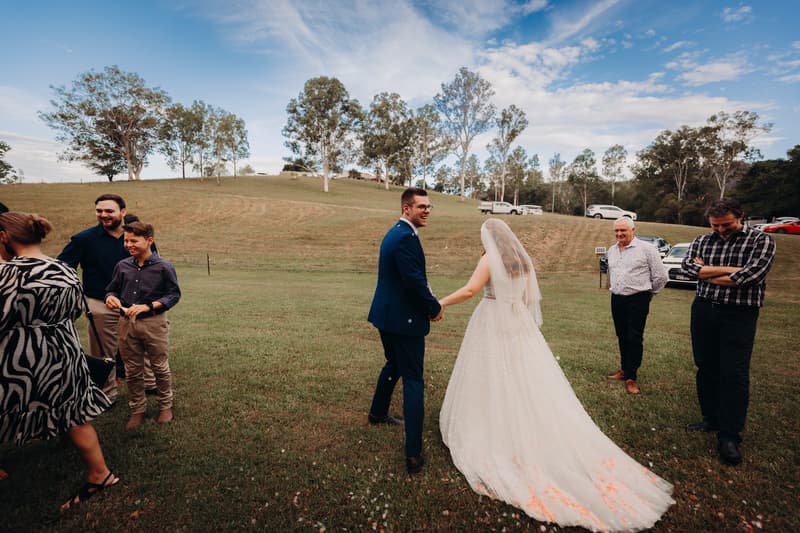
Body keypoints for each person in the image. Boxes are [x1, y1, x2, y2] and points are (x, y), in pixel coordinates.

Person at [437, 218, 674, 531]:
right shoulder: (522, 260)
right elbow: (526, 297)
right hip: (517, 321)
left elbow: (470, 290)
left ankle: (493, 422)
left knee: (492, 371)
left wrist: (438, 303)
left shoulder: (489, 259)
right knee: (522, 375)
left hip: (493, 319)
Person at [0, 211, 118, 511]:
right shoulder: (63, 270)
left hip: (19, 359)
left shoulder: (7, 275)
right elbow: (76, 311)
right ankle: (100, 473)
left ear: (4, 237)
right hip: (63, 352)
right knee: (74, 412)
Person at [681, 198, 775, 466]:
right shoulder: (702, 241)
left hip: (739, 314)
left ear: (741, 216)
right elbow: (688, 269)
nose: (721, 230)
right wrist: (731, 270)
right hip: (703, 309)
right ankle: (711, 419)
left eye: (727, 225)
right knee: (705, 366)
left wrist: (706, 272)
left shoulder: (761, 241)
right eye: (715, 226)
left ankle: (730, 435)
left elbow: (751, 277)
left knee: (733, 373)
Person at [367, 187, 443, 474]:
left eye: (428, 206)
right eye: (420, 206)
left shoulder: (396, 233)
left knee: (394, 363)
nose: (426, 210)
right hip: (403, 321)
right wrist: (433, 308)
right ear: (406, 209)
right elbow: (414, 282)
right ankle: (413, 454)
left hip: (387, 317)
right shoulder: (405, 238)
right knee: (413, 380)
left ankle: (377, 412)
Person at [57, 194, 157, 402]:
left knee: (143, 345)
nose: (103, 215)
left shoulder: (138, 236)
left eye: (109, 211)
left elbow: (152, 265)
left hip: (137, 304)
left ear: (122, 212)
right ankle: (106, 393)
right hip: (100, 304)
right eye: (99, 211)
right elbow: (61, 268)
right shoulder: (83, 239)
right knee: (104, 353)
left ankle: (149, 384)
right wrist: (76, 293)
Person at [105, 221, 181, 430]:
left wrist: (148, 307)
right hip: (126, 323)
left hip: (154, 323)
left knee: (159, 367)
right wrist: (111, 298)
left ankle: (165, 405)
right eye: (126, 241)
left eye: (133, 241)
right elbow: (111, 290)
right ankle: (137, 408)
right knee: (132, 369)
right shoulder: (122, 266)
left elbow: (173, 295)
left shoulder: (164, 267)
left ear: (149, 241)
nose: (128, 244)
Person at [605, 217, 668, 394]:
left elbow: (661, 276)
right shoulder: (612, 250)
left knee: (634, 337)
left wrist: (649, 294)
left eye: (623, 230)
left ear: (633, 229)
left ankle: (632, 377)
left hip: (638, 298)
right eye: (616, 231)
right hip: (617, 299)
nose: (619, 234)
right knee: (622, 335)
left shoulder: (647, 250)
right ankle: (624, 369)